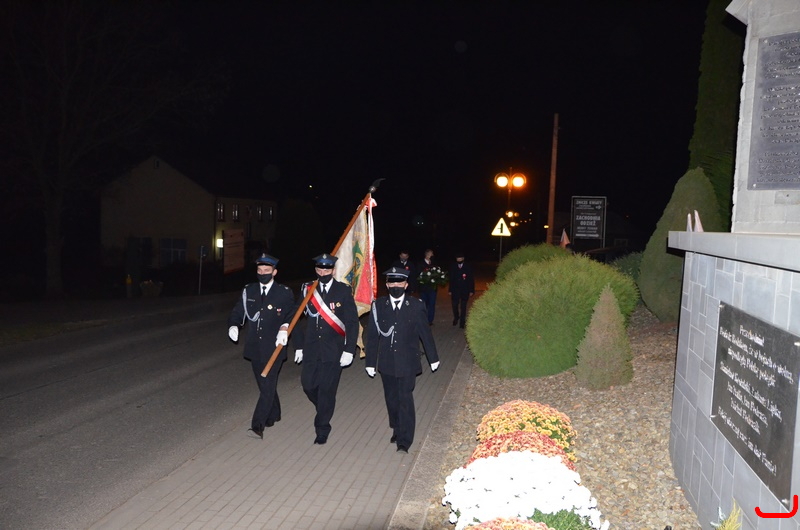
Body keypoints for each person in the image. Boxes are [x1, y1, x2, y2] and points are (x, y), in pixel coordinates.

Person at [365, 267, 440, 453]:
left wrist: (433, 358)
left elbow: (425, 333)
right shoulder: (378, 306)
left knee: (405, 398)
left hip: (408, 361)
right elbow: (373, 336)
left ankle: (405, 440)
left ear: (406, 285)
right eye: (392, 283)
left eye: (400, 283)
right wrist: (370, 362)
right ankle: (397, 428)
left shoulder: (415, 306)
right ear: (387, 285)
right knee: (392, 399)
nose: (396, 286)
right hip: (387, 362)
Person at [293, 253, 360, 445]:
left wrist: (349, 349)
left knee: (327, 390)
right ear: (316, 270)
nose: (323, 273)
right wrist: (298, 346)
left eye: (326, 270)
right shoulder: (308, 289)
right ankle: (324, 406)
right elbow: (295, 317)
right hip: (311, 349)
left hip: (334, 350)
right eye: (319, 270)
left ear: (333, 270)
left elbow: (352, 322)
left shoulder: (343, 290)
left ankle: (322, 428)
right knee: (308, 385)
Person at [228, 253, 295, 439]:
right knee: (265, 385)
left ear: (274, 272)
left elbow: (292, 312)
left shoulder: (283, 292)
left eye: (267, 270)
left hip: (275, 347)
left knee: (266, 387)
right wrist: (234, 324)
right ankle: (275, 413)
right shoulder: (249, 291)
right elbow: (238, 311)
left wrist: (285, 327)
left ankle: (257, 425)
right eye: (260, 270)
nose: (263, 273)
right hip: (254, 347)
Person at [448, 251, 475, 329]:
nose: (459, 260)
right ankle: (456, 317)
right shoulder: (453, 266)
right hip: (455, 289)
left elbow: (471, 279)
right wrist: (450, 290)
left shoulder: (468, 266)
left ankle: (462, 322)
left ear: (463, 258)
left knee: (463, 306)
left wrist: (471, 290)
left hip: (465, 289)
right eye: (458, 258)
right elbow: (451, 278)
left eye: (460, 258)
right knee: (454, 305)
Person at [416, 248, 438, 325]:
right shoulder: (420, 263)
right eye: (432, 254)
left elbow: (437, 273)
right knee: (424, 305)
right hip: (423, 288)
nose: (433, 255)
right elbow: (418, 275)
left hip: (432, 288)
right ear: (427, 255)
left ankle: (430, 321)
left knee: (432, 304)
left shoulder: (434, 263)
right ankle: (424, 320)